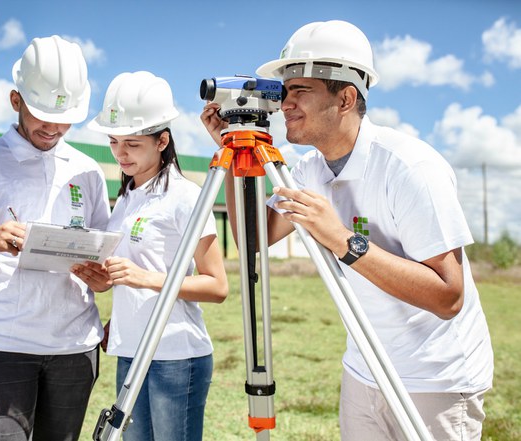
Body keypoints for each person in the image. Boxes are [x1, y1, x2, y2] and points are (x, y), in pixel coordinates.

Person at [201, 20, 494, 441]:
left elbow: (449, 296)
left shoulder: (410, 168)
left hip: (434, 380)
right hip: (363, 369)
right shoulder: (307, 170)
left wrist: (341, 239)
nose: (285, 103)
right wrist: (229, 149)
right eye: (284, 91)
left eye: (301, 90)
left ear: (346, 97)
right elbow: (253, 238)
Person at [0, 35, 110, 441]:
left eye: (64, 118)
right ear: (16, 101)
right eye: (42, 115)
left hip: (74, 348)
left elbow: (103, 248)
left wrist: (101, 275)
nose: (54, 128)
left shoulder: (87, 171)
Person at [71, 71, 229, 441]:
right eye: (113, 142)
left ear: (162, 141)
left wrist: (144, 278)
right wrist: (105, 281)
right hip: (128, 350)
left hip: (175, 356)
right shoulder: (125, 199)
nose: (120, 153)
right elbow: (128, 274)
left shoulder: (186, 196)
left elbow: (217, 285)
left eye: (132, 143)